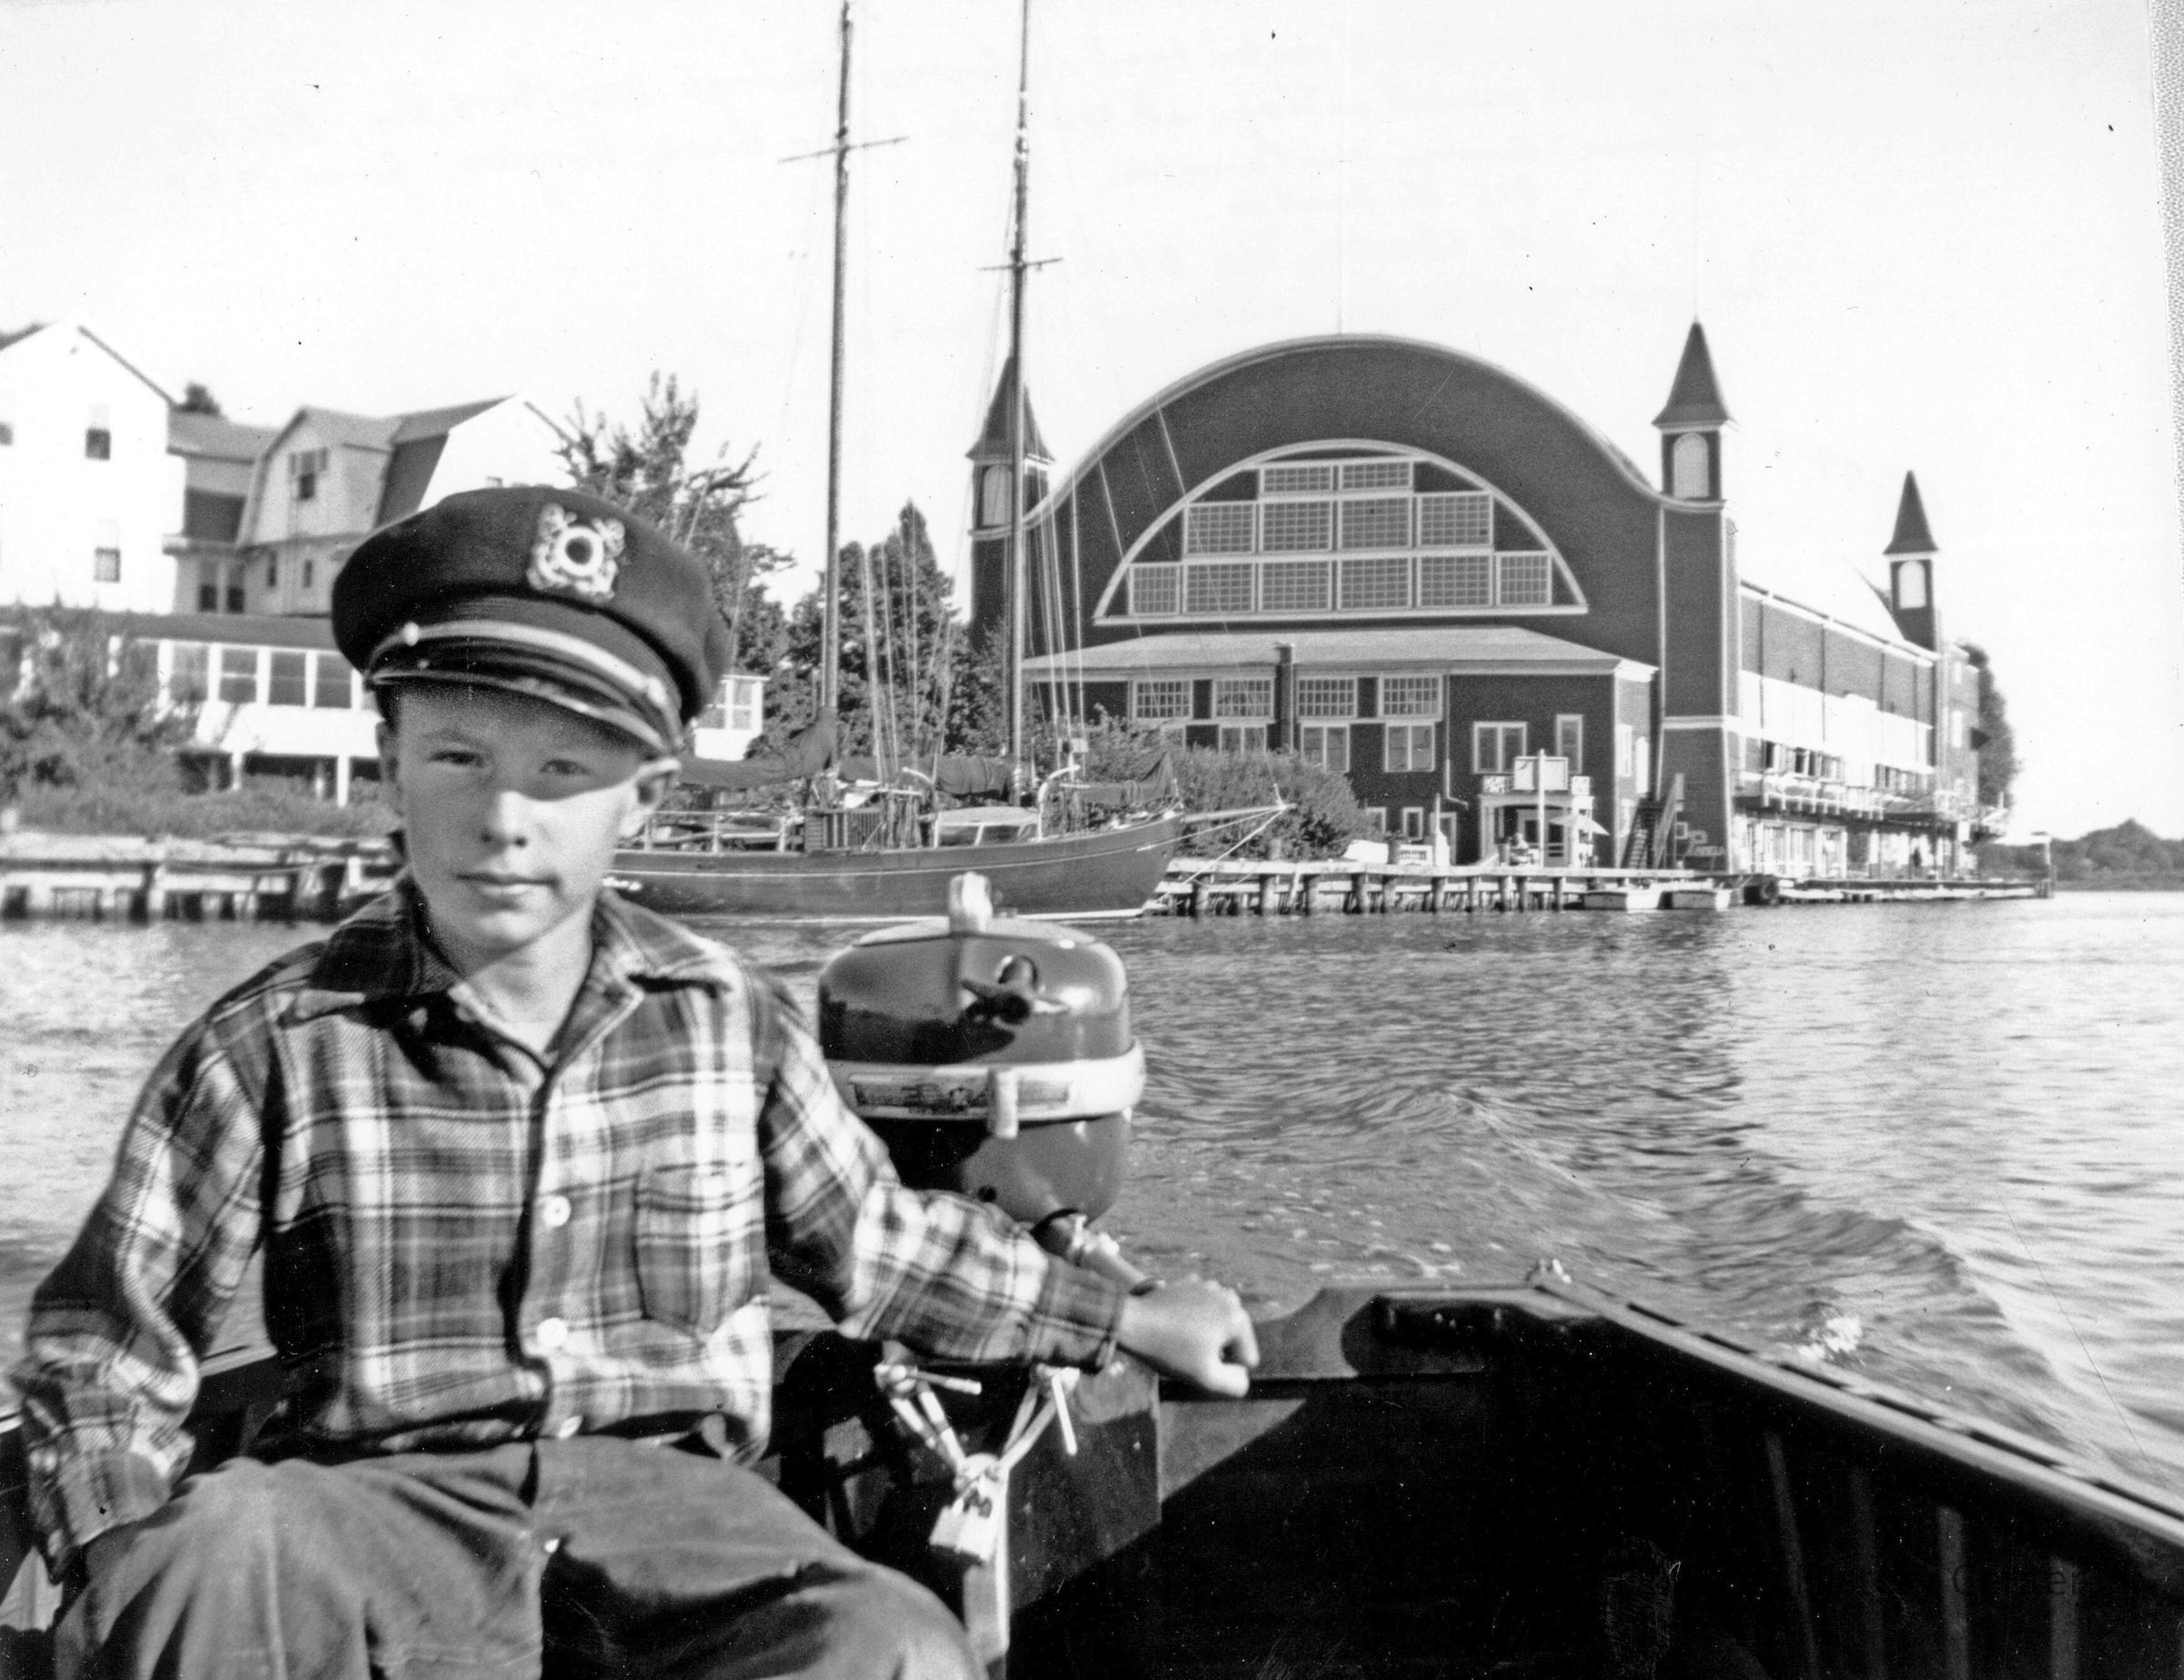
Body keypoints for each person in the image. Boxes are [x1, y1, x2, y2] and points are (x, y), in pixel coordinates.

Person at [12, 485, 1258, 1680]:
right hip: (373, 1512)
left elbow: (879, 1249)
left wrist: (1123, 1317)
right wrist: (119, 1543)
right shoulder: (273, 1041)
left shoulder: (726, 1021)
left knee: (887, 1645)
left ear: (644, 799)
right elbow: (107, 1341)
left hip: (684, 1521)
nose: (505, 817)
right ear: (389, 761)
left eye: (563, 774)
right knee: (197, 1564)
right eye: (458, 756)